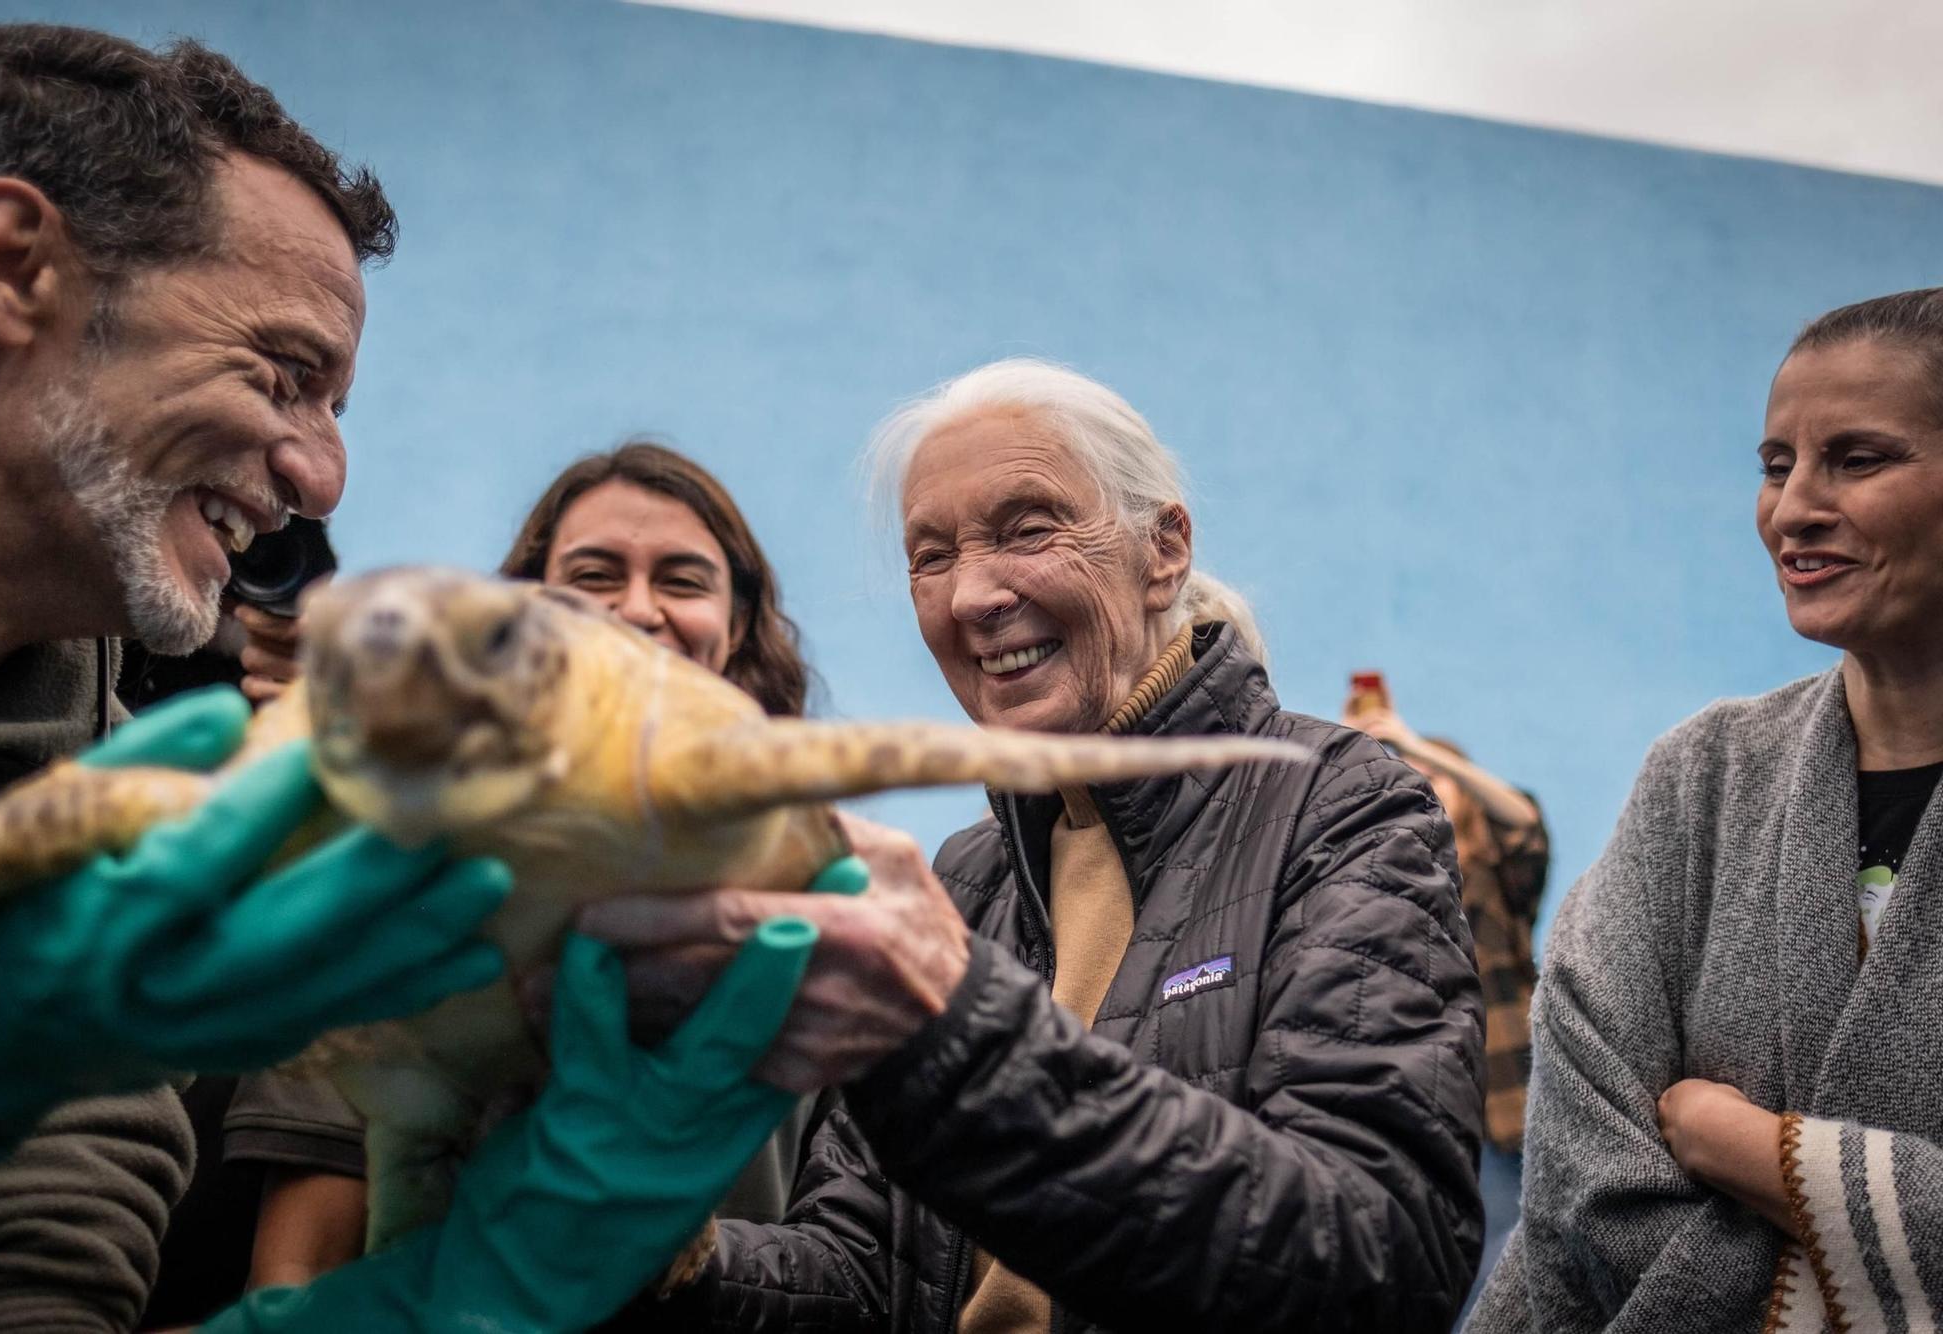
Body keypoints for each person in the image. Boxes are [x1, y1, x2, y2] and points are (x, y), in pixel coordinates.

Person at [592, 358, 1487, 1332]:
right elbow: (857, 1276)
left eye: (1026, 529)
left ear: (1163, 549)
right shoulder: (969, 875)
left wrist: (951, 1032)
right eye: (928, 555)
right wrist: (653, 1258)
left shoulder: (1338, 809)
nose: (973, 593)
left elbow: (1375, 1258)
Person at [0, 25, 524, 1330]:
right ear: (13, 267)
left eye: (338, 410)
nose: (323, 479)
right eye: (287, 374)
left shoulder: (67, 685)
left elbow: (50, 1191)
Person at [220, 441, 822, 1293]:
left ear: (735, 628)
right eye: (594, 575)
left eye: (683, 581)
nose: (636, 610)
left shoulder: (829, 909)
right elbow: (296, 1267)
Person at [1464, 288, 1943, 1332]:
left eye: (1856, 459)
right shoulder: (1701, 776)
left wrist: (1747, 1149)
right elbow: (1586, 1188)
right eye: (1775, 466)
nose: (1792, 507)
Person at [1341, 683, 1549, 1306]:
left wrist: (1410, 742)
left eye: (1439, 775)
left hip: (1506, 1106)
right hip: (1424, 1106)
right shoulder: (1383, 878)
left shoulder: (1496, 875)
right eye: (1414, 774)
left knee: (1505, 1268)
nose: (1426, 781)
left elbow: (1521, 819)